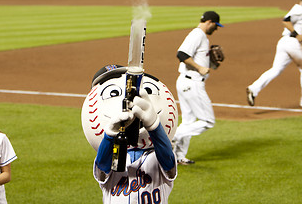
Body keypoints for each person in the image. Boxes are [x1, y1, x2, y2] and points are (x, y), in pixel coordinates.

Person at [81, 65, 178, 203]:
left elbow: (168, 160)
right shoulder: (113, 156)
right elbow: (103, 166)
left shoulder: (157, 157)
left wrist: (153, 125)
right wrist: (110, 134)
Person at [172, 11, 224, 165]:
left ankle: (178, 157)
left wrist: (211, 64)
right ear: (209, 22)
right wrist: (200, 68)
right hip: (192, 83)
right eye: (216, 25)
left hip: (186, 82)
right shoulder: (197, 34)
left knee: (188, 121)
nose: (216, 29)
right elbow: (181, 54)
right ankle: (172, 137)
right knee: (208, 121)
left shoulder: (202, 37)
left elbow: (197, 59)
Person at [247, 0, 302, 107]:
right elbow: (285, 21)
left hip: (284, 43)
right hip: (293, 43)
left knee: (276, 69)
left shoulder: (298, 9)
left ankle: (254, 88)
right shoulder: (299, 9)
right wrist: (297, 34)